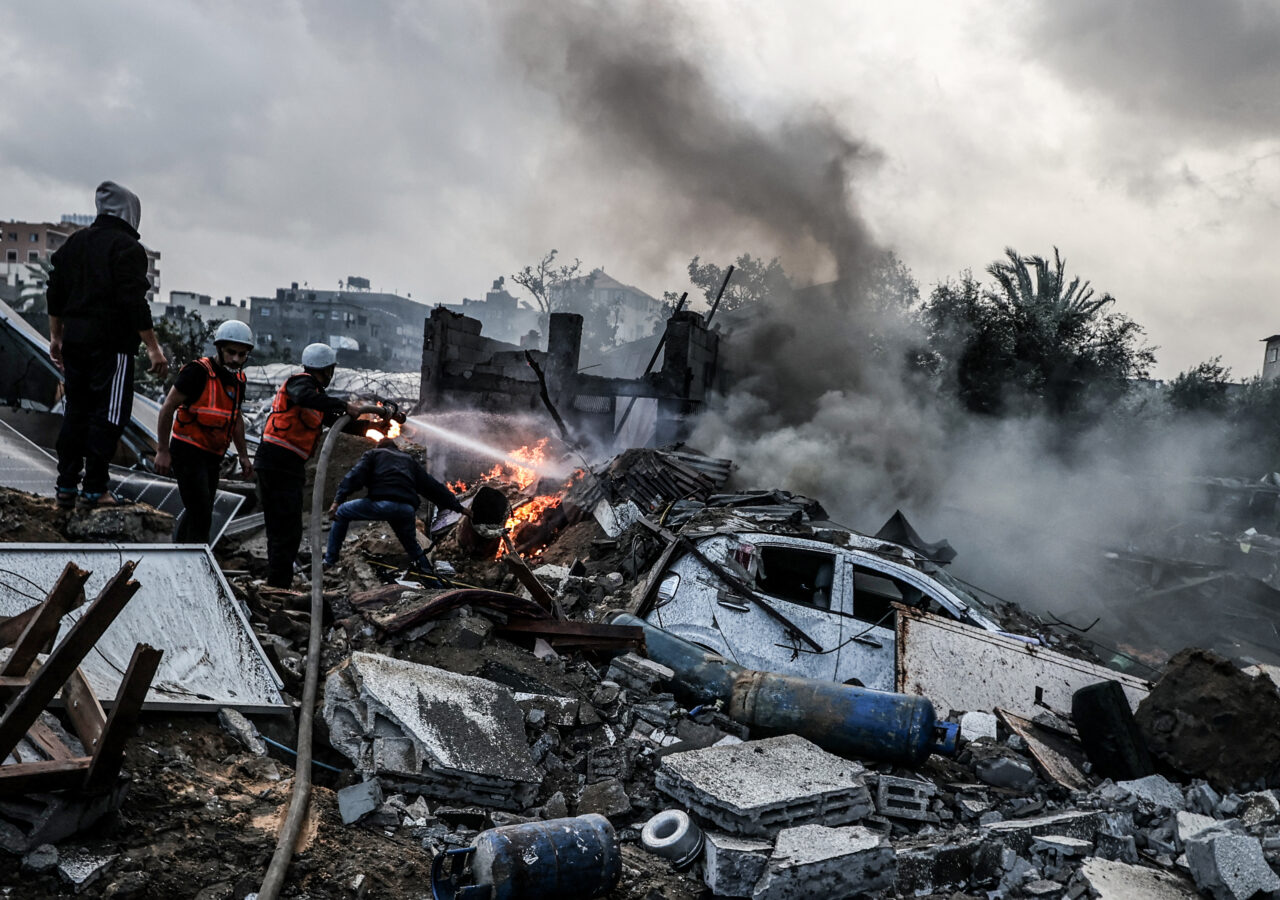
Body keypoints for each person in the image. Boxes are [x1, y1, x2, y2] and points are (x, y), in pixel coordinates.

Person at [46, 180, 169, 510]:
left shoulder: (75, 243)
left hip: (75, 342)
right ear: (130, 211)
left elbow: (54, 292)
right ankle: (95, 490)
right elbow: (133, 301)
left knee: (76, 412)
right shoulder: (128, 248)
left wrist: (56, 336)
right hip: (112, 346)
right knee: (110, 415)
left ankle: (66, 486)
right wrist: (153, 348)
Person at [254, 342, 362, 588]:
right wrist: (345, 405)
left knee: (287, 530)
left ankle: (278, 584)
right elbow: (306, 397)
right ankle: (278, 587)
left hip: (286, 466)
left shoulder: (317, 402)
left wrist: (377, 427)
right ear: (327, 370)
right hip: (276, 463)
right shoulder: (301, 384)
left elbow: (342, 423)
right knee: (285, 530)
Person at [153, 320, 256, 543]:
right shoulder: (197, 372)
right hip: (188, 451)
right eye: (231, 352)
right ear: (219, 349)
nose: (236, 359)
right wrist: (162, 450)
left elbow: (235, 417)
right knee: (201, 513)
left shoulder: (238, 380)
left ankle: (181, 552)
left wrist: (243, 455)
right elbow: (167, 408)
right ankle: (196, 556)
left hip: (212, 456)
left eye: (241, 354)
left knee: (200, 510)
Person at [323, 437, 469, 573]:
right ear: (396, 448)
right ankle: (432, 580)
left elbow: (354, 476)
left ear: (379, 446)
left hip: (383, 504)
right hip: (406, 510)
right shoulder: (409, 461)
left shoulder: (373, 454)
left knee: (342, 512)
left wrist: (337, 501)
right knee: (413, 547)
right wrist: (460, 508)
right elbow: (433, 487)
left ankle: (330, 561)